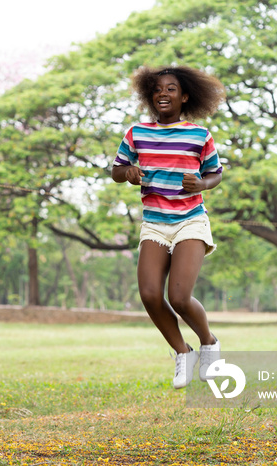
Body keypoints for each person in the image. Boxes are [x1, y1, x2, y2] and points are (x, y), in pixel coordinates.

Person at [111, 65, 226, 389]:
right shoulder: (136, 133)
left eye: (171, 88)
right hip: (155, 222)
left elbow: (216, 173)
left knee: (178, 296)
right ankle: (182, 352)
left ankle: (208, 341)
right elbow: (116, 170)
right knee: (149, 294)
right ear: (150, 96)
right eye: (158, 89)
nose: (163, 93)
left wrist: (201, 183)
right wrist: (128, 172)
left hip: (190, 219)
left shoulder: (199, 135)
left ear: (185, 96)